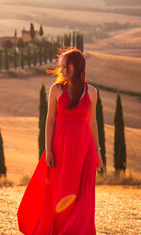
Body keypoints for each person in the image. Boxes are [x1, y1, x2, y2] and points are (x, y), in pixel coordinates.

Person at [17, 48, 103, 234]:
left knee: (82, 194)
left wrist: (97, 151)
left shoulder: (92, 92)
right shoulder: (56, 90)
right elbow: (49, 121)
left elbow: (93, 124)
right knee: (59, 192)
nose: (62, 70)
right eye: (61, 66)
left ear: (77, 66)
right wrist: (48, 149)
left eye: (66, 66)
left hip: (84, 150)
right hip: (60, 148)